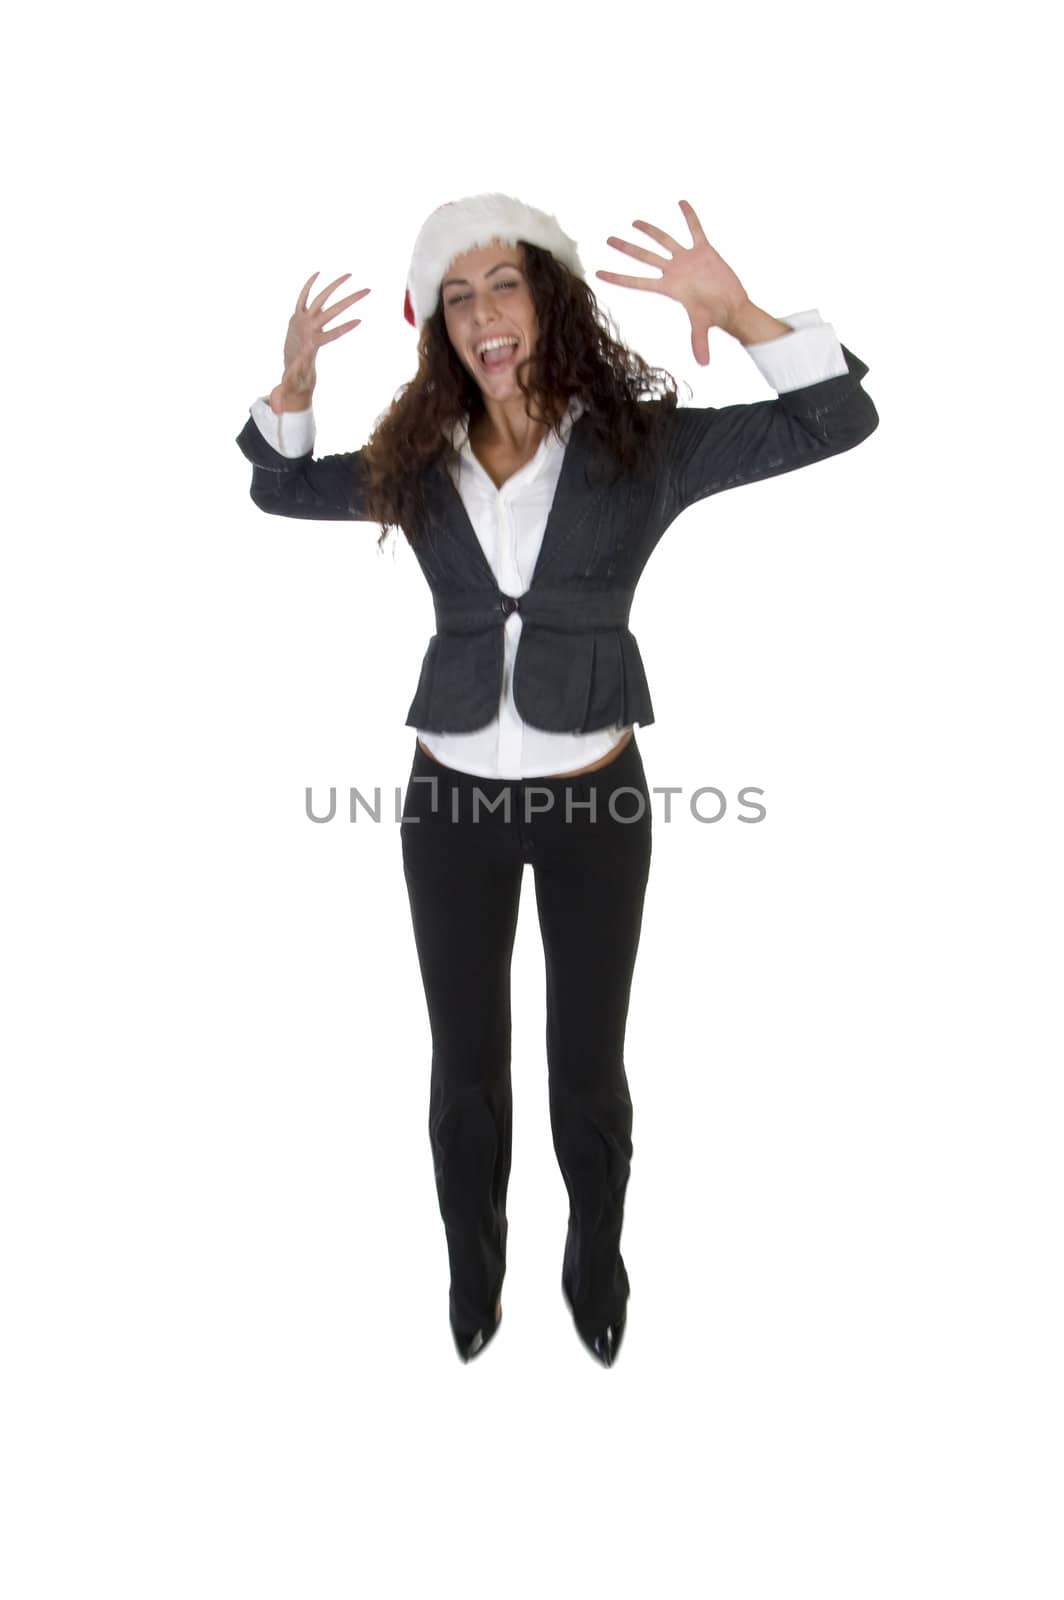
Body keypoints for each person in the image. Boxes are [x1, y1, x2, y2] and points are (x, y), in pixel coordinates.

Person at [236, 192, 879, 1366]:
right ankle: (471, 1262)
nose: (483, 311)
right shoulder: (413, 461)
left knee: (586, 1061)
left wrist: (735, 310)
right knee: (463, 1061)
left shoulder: (641, 445)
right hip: (448, 807)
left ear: (548, 301)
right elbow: (278, 488)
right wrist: (290, 387)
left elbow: (835, 420)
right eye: (457, 295)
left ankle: (594, 1254)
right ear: (437, 326)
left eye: (505, 285)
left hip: (598, 799)